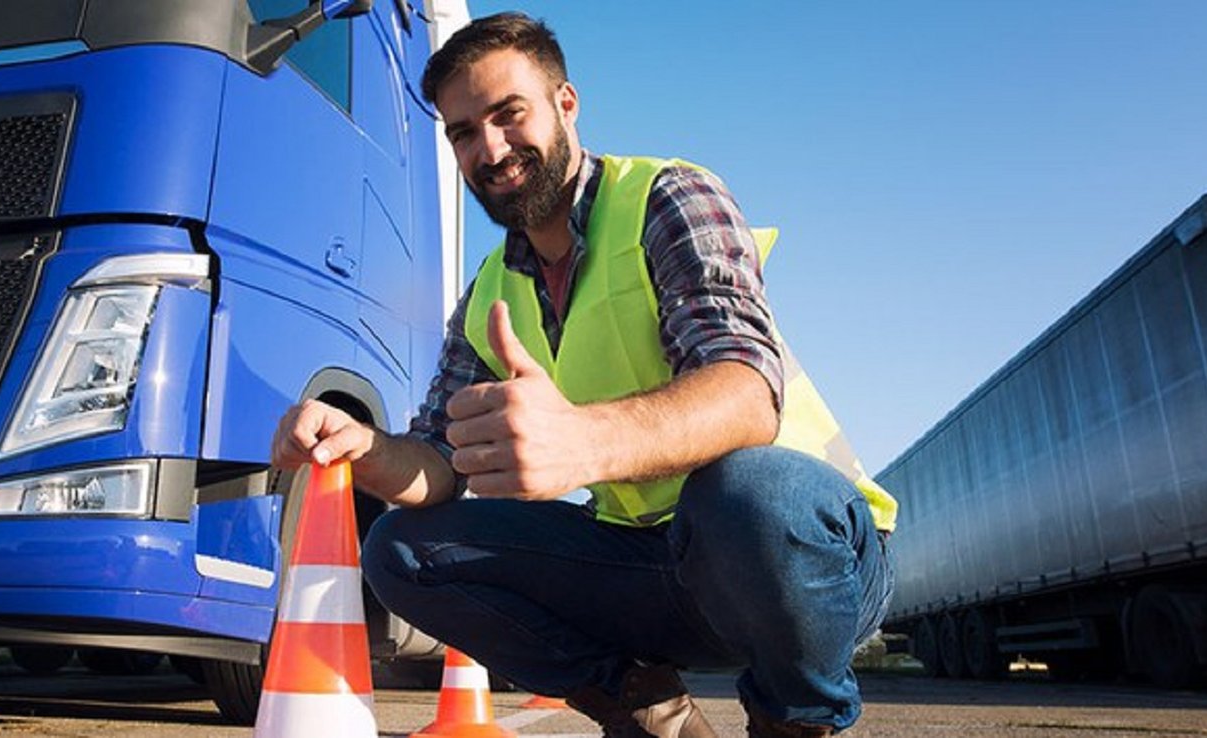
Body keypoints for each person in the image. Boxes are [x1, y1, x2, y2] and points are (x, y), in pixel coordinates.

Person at [270, 12, 894, 738]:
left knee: (752, 493)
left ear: (566, 103)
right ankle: (650, 712)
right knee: (400, 550)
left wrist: (582, 444)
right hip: (654, 567)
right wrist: (366, 446)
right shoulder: (490, 291)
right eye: (463, 133)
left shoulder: (668, 198)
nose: (490, 150)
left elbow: (747, 391)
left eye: (509, 115)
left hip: (803, 561)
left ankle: (797, 720)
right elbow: (438, 464)